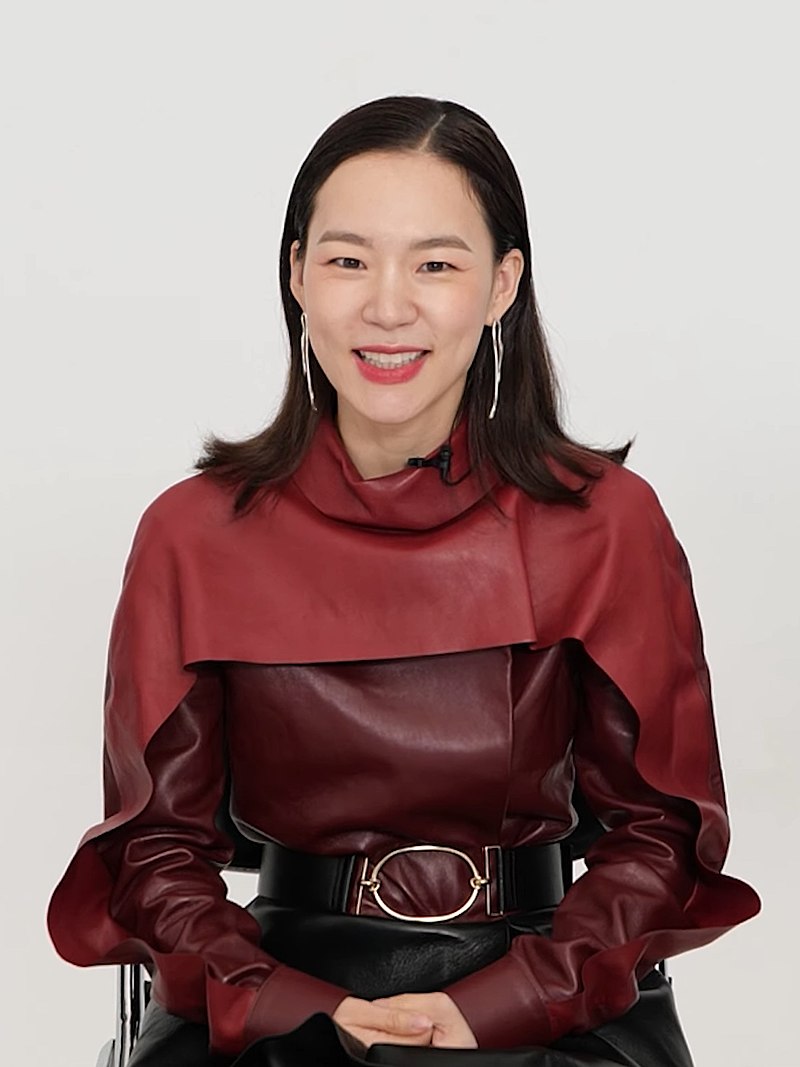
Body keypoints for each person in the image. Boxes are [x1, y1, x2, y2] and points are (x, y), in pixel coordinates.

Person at [47, 95, 760, 1066]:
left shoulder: (605, 522)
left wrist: (509, 1000)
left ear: (501, 284)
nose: (387, 306)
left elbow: (656, 836)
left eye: (435, 264)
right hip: (273, 983)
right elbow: (154, 853)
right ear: (297, 273)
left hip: (550, 980)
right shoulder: (194, 533)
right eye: (348, 260)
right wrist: (291, 1003)